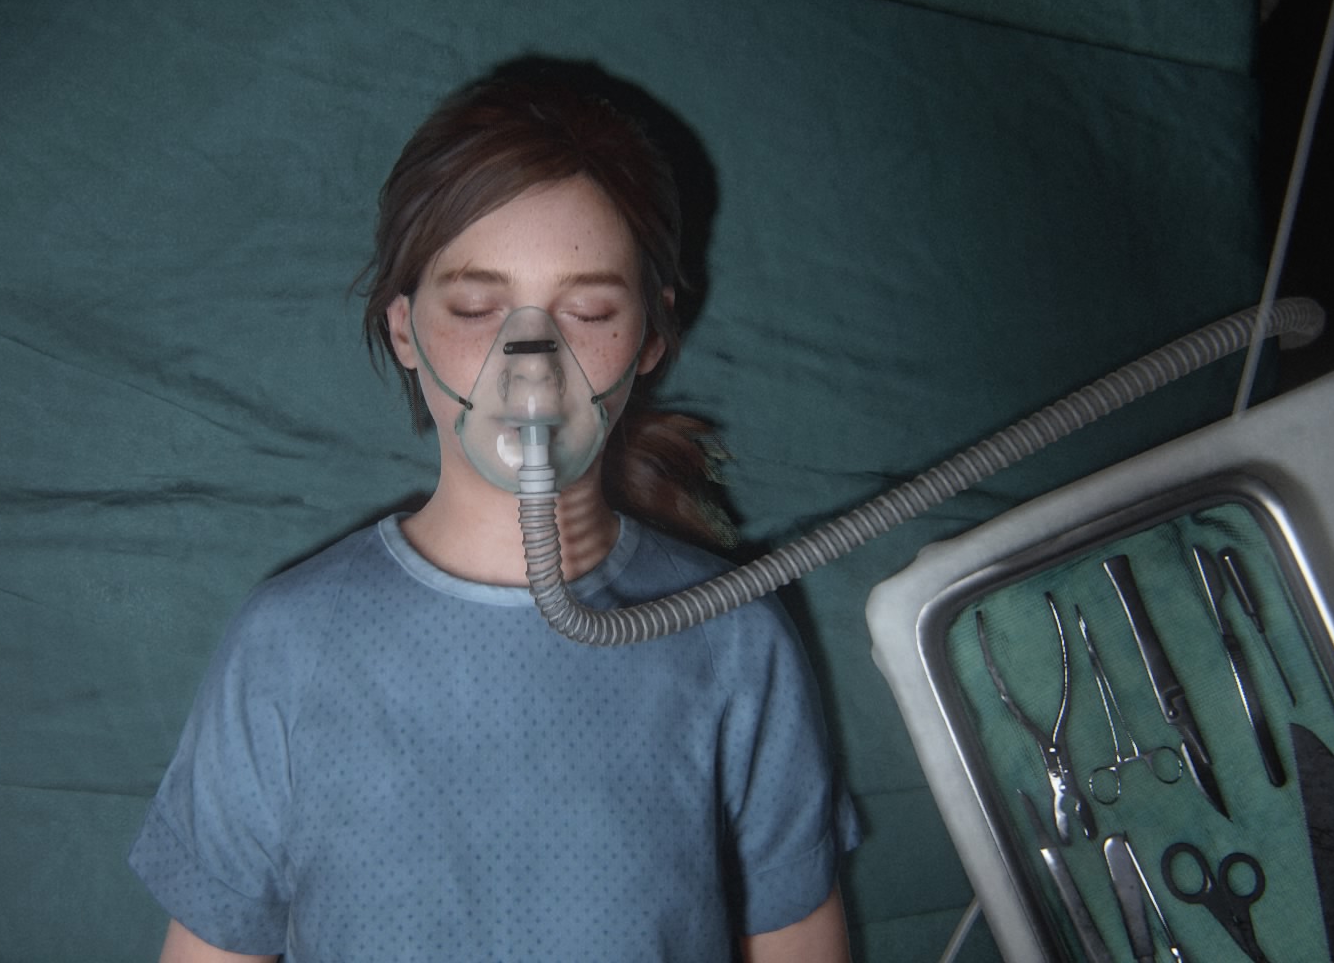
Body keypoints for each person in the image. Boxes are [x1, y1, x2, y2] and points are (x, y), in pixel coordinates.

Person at [130, 65, 858, 962]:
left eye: (587, 310)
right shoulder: (291, 646)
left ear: (650, 335)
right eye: (477, 307)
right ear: (404, 328)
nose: (532, 366)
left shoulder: (731, 636)